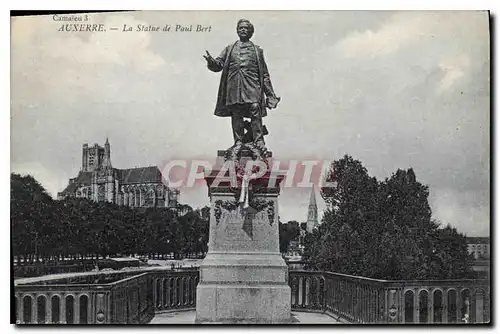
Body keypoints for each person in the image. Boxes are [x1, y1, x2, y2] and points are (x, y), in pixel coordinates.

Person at [204, 19, 280, 155]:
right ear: (237, 30)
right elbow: (218, 64)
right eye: (240, 28)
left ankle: (258, 140)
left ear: (250, 32)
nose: (243, 30)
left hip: (252, 84)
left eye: (246, 28)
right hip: (234, 85)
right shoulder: (229, 48)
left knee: (255, 107)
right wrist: (211, 62)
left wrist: (270, 94)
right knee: (236, 111)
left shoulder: (257, 51)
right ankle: (238, 141)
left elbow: (264, 74)